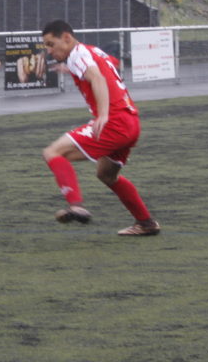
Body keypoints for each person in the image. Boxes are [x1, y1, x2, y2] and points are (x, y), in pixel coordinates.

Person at [40, 20, 160, 236]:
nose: (49, 51)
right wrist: (67, 69)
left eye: (51, 44)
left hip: (114, 123)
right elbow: (109, 64)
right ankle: (146, 223)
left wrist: (103, 114)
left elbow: (97, 77)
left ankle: (75, 205)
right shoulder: (91, 51)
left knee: (52, 152)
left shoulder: (77, 53)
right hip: (131, 122)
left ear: (66, 37)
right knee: (107, 176)